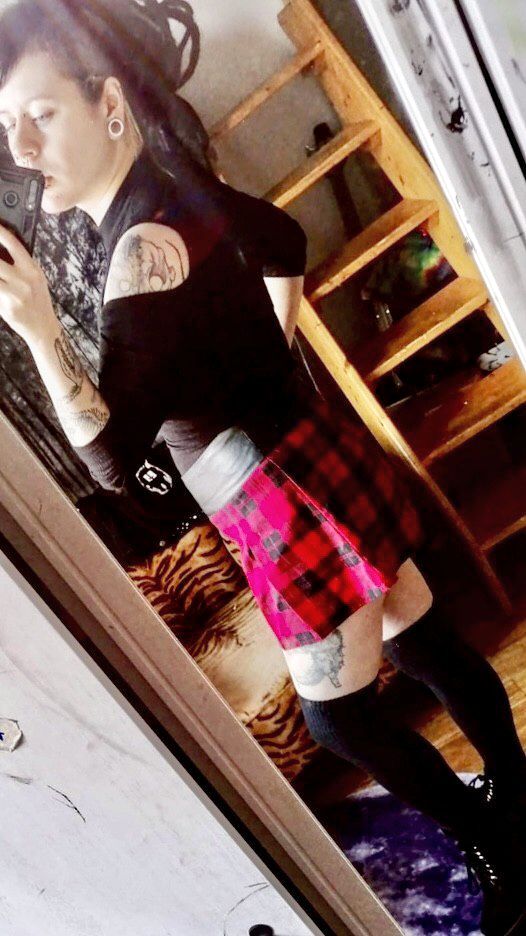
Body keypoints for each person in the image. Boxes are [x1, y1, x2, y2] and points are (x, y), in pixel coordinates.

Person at [0, 2, 525, 932]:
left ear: (109, 106)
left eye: (41, 115)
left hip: (277, 496)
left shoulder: (142, 253)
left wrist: (39, 330)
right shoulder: (174, 187)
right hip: (305, 455)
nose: (21, 147)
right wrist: (271, 362)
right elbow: (283, 240)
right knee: (422, 638)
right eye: (9, 126)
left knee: (338, 721)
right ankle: (517, 798)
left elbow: (115, 460)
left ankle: (494, 837)